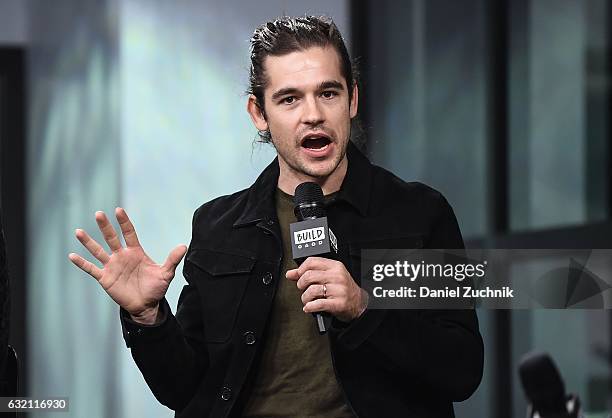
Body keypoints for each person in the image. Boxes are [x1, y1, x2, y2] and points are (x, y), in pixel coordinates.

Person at [69, 15, 484, 418]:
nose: (313, 114)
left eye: (328, 93)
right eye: (289, 99)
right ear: (259, 114)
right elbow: (182, 388)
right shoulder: (219, 225)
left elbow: (461, 371)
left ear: (352, 99)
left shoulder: (416, 214)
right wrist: (149, 318)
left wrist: (363, 308)